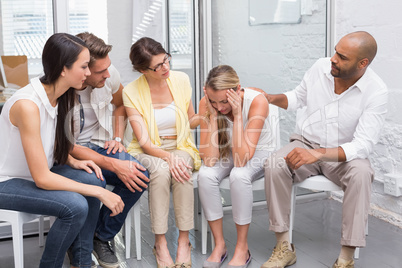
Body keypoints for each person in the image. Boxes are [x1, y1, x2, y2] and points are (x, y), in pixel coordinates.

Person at [261, 31, 388, 268]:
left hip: (343, 154)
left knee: (362, 173)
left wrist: (319, 154)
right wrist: (269, 97)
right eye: (335, 51)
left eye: (342, 57)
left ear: (363, 64)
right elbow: (297, 97)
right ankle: (283, 247)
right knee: (275, 164)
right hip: (306, 142)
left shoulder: (376, 91)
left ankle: (346, 258)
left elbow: (362, 145)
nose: (333, 59)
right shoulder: (320, 68)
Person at [0, 33, 124, 268]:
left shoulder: (60, 95)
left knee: (94, 179)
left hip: (35, 173)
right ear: (63, 69)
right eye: (85, 66)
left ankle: (81, 262)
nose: (89, 73)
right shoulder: (27, 105)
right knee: (75, 205)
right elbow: (42, 178)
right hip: (7, 182)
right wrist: (101, 194)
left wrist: (71, 160)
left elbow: (49, 140)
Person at [56, 32, 149, 268]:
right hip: (69, 154)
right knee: (92, 181)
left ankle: (102, 236)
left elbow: (119, 105)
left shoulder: (110, 73)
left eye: (108, 68)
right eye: (99, 71)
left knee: (139, 174)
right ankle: (79, 247)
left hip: (100, 142)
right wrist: (111, 164)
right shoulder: (60, 91)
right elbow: (65, 147)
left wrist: (117, 137)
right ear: (82, 68)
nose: (108, 74)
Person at [123, 37, 201, 268]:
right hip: (147, 149)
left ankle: (184, 240)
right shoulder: (131, 91)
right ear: (141, 70)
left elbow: (189, 120)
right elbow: (145, 142)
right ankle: (161, 243)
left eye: (166, 60)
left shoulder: (181, 80)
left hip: (180, 145)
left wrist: (209, 112)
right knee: (159, 170)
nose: (165, 67)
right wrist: (168, 157)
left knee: (182, 168)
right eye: (157, 66)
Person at [197, 65, 272, 268]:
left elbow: (242, 160)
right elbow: (209, 160)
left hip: (260, 151)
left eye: (224, 101)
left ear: (237, 90)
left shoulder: (257, 102)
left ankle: (241, 247)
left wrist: (238, 115)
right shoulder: (208, 104)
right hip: (231, 150)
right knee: (205, 175)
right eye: (214, 101)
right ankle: (220, 244)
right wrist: (212, 115)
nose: (220, 107)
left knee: (239, 175)